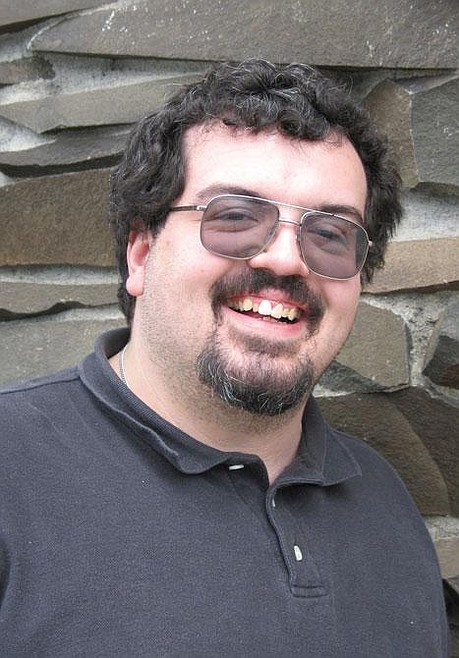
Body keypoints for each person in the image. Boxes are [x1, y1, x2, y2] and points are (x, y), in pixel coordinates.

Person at [0, 60, 448, 657]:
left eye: (330, 234)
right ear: (141, 253)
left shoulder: (383, 500)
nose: (286, 259)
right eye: (235, 216)